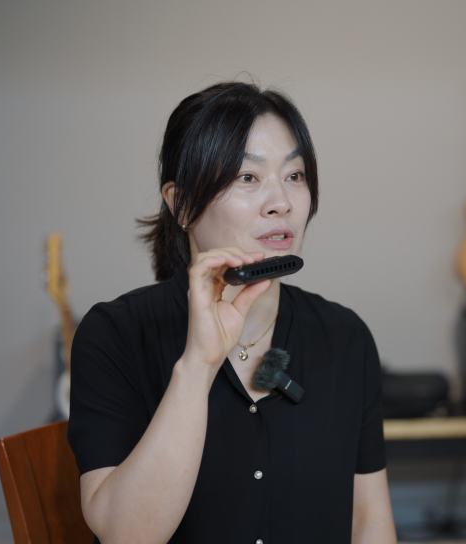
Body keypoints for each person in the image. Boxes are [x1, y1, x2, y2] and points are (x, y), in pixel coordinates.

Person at [67, 81, 397, 544]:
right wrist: (199, 364)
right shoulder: (115, 335)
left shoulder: (346, 337)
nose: (282, 202)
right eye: (248, 177)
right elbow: (127, 535)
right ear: (182, 204)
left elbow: (368, 521)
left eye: (295, 175)